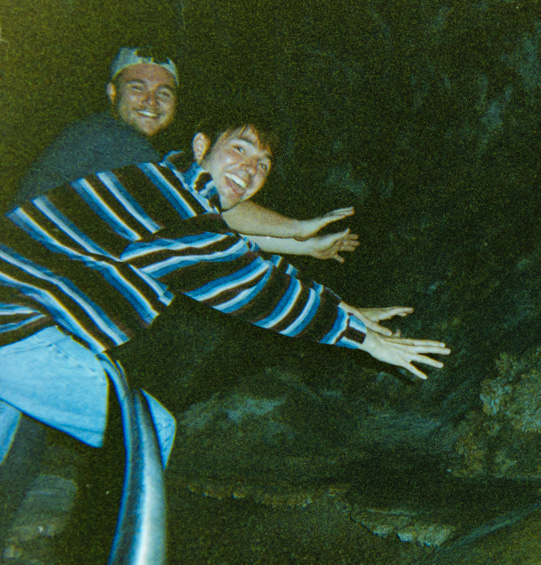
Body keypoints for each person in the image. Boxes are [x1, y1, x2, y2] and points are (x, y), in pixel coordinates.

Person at [0, 112, 449, 469]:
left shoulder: (167, 187)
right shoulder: (174, 206)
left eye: (263, 165)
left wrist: (351, 310)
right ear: (201, 147)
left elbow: (247, 260)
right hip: (14, 334)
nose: (250, 169)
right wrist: (364, 340)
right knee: (150, 432)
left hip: (16, 327)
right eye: (239, 149)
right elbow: (253, 289)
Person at [12, 46, 359, 263]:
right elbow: (200, 202)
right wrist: (298, 230)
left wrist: (305, 247)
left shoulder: (138, 158)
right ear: (111, 92)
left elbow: (200, 219)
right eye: (137, 88)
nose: (151, 102)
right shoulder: (108, 137)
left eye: (164, 93)